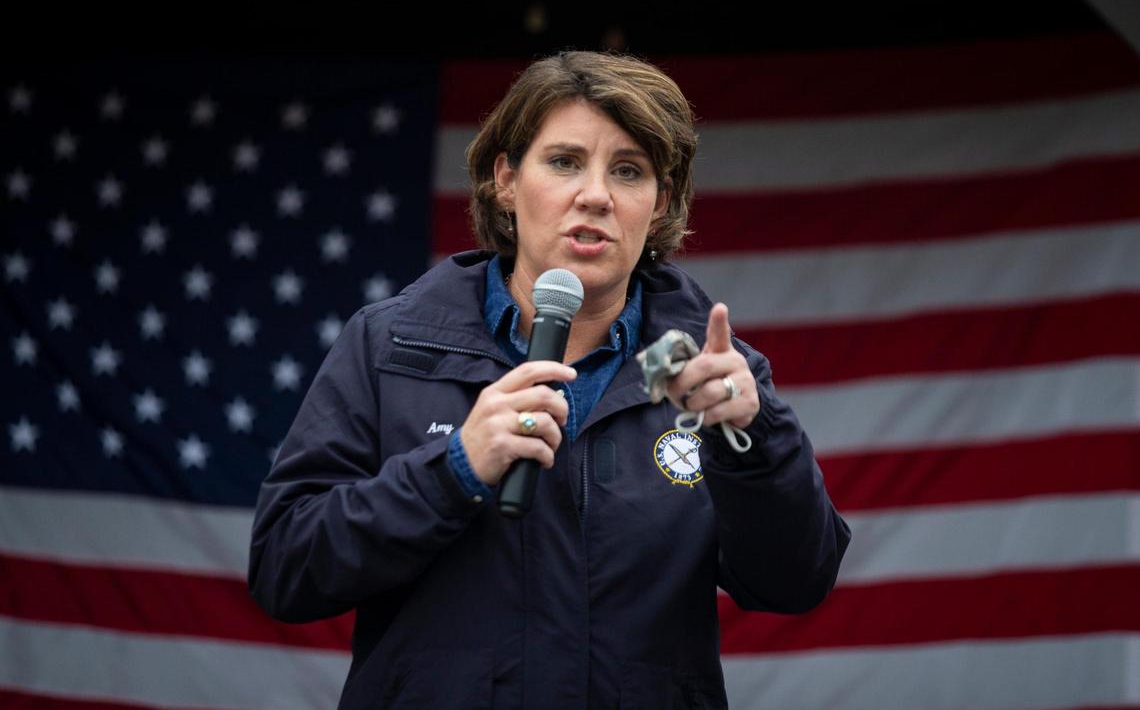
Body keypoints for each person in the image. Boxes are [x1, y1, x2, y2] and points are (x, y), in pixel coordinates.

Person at [248, 50, 850, 709]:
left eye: (629, 171)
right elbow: (286, 570)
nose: (594, 194)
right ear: (505, 179)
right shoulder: (388, 346)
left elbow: (797, 583)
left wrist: (755, 438)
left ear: (662, 202)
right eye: (564, 162)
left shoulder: (712, 378)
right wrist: (452, 471)